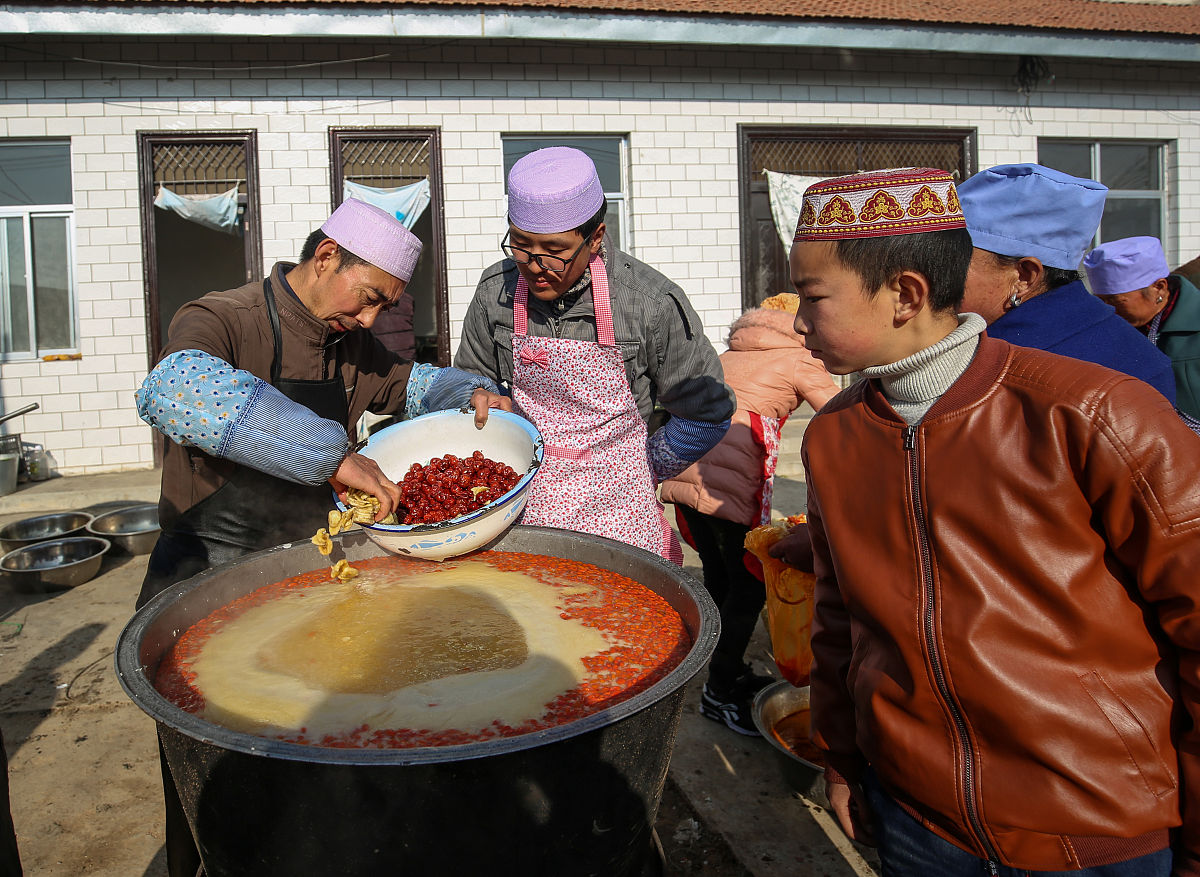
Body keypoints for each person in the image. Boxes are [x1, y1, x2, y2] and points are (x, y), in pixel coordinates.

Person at [789, 167, 1200, 875]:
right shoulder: (834, 436)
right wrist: (844, 759)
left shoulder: (1095, 414)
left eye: (812, 296)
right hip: (921, 823)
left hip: (1094, 830)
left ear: (906, 294)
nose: (797, 320)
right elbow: (839, 623)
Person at [134, 198, 509, 877]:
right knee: (208, 774)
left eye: (382, 308)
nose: (368, 320)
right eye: (367, 299)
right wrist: (328, 453)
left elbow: (410, 383)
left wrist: (469, 388)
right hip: (204, 573)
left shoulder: (350, 343)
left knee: (303, 758)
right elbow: (171, 387)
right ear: (327, 255)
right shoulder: (223, 316)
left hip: (298, 579)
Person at [455, 147, 735, 563]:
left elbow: (706, 413)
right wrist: (478, 396)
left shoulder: (650, 304)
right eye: (520, 244)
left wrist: (646, 465)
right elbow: (471, 377)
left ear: (596, 237)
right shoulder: (494, 292)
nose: (534, 265)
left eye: (553, 250)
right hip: (523, 509)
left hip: (620, 512)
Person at [660, 292, 838, 735]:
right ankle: (720, 692)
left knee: (718, 579)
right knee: (749, 587)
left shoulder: (727, 354)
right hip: (734, 490)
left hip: (686, 477)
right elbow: (842, 418)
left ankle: (712, 664)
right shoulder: (799, 358)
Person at [956, 163, 1177, 402]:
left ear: (1024, 276)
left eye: (953, 262)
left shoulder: (999, 367)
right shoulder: (1144, 359)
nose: (936, 277)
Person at [1083, 236, 1200, 427]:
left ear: (1159, 287)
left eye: (1115, 300)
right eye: (1101, 300)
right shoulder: (1103, 329)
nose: (1107, 309)